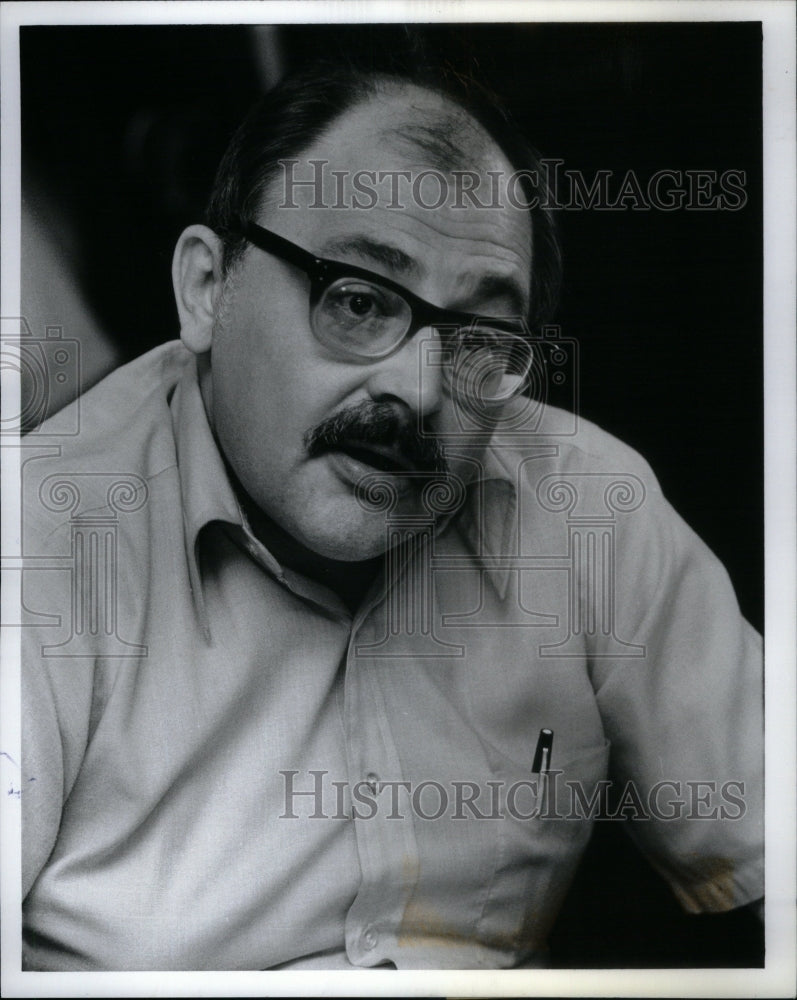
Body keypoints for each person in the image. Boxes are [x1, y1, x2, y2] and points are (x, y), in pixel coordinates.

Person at [19, 62, 763, 971]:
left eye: (480, 341)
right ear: (207, 288)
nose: (418, 391)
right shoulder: (39, 545)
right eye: (360, 301)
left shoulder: (584, 509)